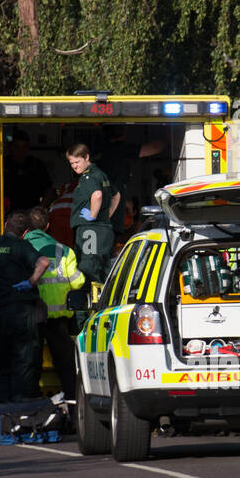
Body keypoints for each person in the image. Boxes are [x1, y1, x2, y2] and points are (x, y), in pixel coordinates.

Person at [0, 208, 51, 412]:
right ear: (25, 233)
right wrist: (32, 281)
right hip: (22, 310)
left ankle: (1, 411)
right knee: (24, 360)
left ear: (5, 226)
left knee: (3, 360)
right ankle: (21, 409)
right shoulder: (22, 246)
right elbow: (44, 262)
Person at [24, 206, 85, 403]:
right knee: (66, 364)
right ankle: (73, 404)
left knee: (31, 361)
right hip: (58, 319)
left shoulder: (20, 247)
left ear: (27, 228)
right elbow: (77, 281)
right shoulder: (64, 251)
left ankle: (30, 402)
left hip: (31, 314)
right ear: (48, 226)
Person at [100, 130, 166, 238]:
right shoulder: (118, 149)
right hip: (112, 220)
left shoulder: (101, 152)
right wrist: (170, 136)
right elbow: (155, 148)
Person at [67, 143, 114, 284]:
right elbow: (116, 196)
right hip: (104, 229)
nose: (75, 166)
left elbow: (97, 195)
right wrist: (107, 214)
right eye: (72, 163)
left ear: (86, 157)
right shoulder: (101, 175)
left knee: (88, 268)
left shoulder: (88, 177)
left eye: (77, 162)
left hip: (90, 230)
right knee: (103, 268)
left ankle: (89, 303)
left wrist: (93, 215)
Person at [3, 133, 52, 214]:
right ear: (10, 148)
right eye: (17, 147)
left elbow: (49, 190)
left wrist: (40, 209)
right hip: (6, 214)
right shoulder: (2, 164)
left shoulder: (36, 165)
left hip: (31, 214)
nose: (21, 151)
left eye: (24, 147)